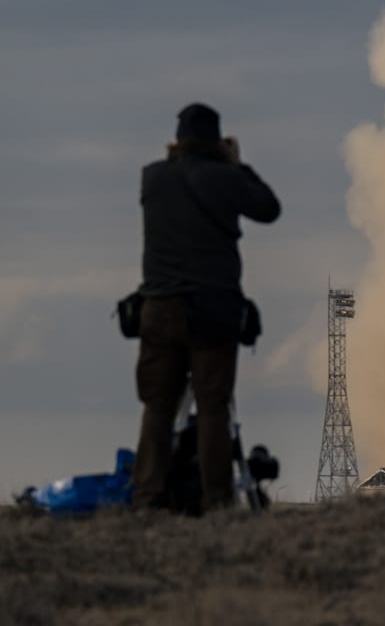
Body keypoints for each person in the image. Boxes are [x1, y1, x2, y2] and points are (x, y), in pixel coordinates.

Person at [133, 103, 283, 512]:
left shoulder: (152, 177)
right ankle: (217, 501)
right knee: (213, 406)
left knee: (158, 407)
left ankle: (147, 497)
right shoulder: (225, 177)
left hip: (159, 306)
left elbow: (179, 181)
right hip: (213, 309)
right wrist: (238, 164)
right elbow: (269, 208)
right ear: (217, 141)